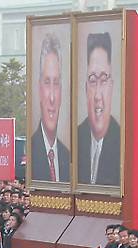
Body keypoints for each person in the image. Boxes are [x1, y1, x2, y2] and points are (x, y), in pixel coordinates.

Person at [77, 32, 121, 186]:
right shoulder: (74, 140)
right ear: (85, 88)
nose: (97, 96)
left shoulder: (124, 143)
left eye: (103, 80)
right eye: (92, 80)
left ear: (112, 86)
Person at [31, 33, 71, 183]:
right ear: (39, 88)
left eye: (57, 83)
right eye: (47, 82)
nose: (52, 98)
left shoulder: (69, 156)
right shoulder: (30, 150)